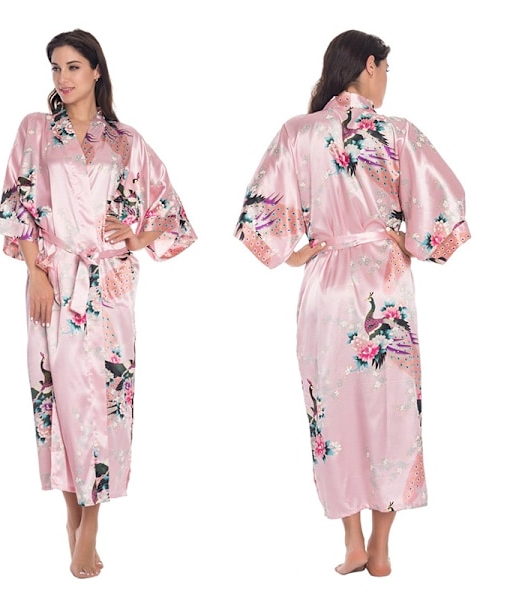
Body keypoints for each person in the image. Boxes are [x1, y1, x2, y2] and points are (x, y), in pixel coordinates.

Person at [234, 29, 470, 576]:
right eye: (385, 69)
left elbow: (258, 216)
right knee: (391, 412)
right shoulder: (398, 131)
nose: (386, 81)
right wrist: (411, 240)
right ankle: (382, 548)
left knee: (332, 412)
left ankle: (353, 543)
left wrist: (294, 254)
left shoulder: (298, 132)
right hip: (384, 284)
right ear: (369, 65)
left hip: (326, 286)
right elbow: (446, 203)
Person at [0, 29, 197, 579]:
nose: (63, 78)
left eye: (73, 67)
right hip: (54, 283)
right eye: (56, 68)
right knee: (57, 396)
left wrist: (135, 236)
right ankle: (72, 512)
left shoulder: (126, 141)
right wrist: (35, 273)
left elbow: (171, 212)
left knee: (106, 402)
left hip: (109, 286)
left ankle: (91, 524)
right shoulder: (35, 131)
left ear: (96, 71)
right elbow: (19, 205)